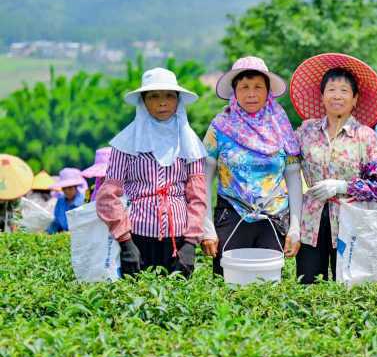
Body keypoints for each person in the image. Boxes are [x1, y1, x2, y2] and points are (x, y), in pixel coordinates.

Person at [290, 54, 377, 283]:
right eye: (332, 90)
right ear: (322, 96)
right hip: (310, 222)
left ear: (355, 99)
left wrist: (342, 186)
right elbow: (288, 164)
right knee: (308, 286)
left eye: (345, 91)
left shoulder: (365, 136)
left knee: (347, 287)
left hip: (351, 223)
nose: (337, 96)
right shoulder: (306, 131)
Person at [96, 67, 207, 277]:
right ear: (144, 102)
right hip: (137, 237)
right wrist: (126, 242)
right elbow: (107, 196)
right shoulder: (126, 143)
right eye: (153, 96)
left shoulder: (189, 142)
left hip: (179, 240)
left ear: (178, 101)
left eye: (169, 96)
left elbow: (197, 196)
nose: (162, 102)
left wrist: (191, 243)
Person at [199, 57, 303, 277]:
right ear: (234, 91)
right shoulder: (220, 127)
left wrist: (295, 226)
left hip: (273, 219)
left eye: (258, 87)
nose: (251, 93)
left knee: (269, 288)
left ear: (268, 92)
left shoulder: (281, 126)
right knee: (229, 285)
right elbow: (203, 178)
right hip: (231, 216)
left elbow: (293, 177)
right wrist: (206, 225)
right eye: (244, 87)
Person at [47, 168, 87, 234]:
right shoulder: (60, 202)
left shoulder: (84, 201)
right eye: (64, 188)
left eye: (70, 188)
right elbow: (57, 222)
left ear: (76, 187)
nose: (67, 191)